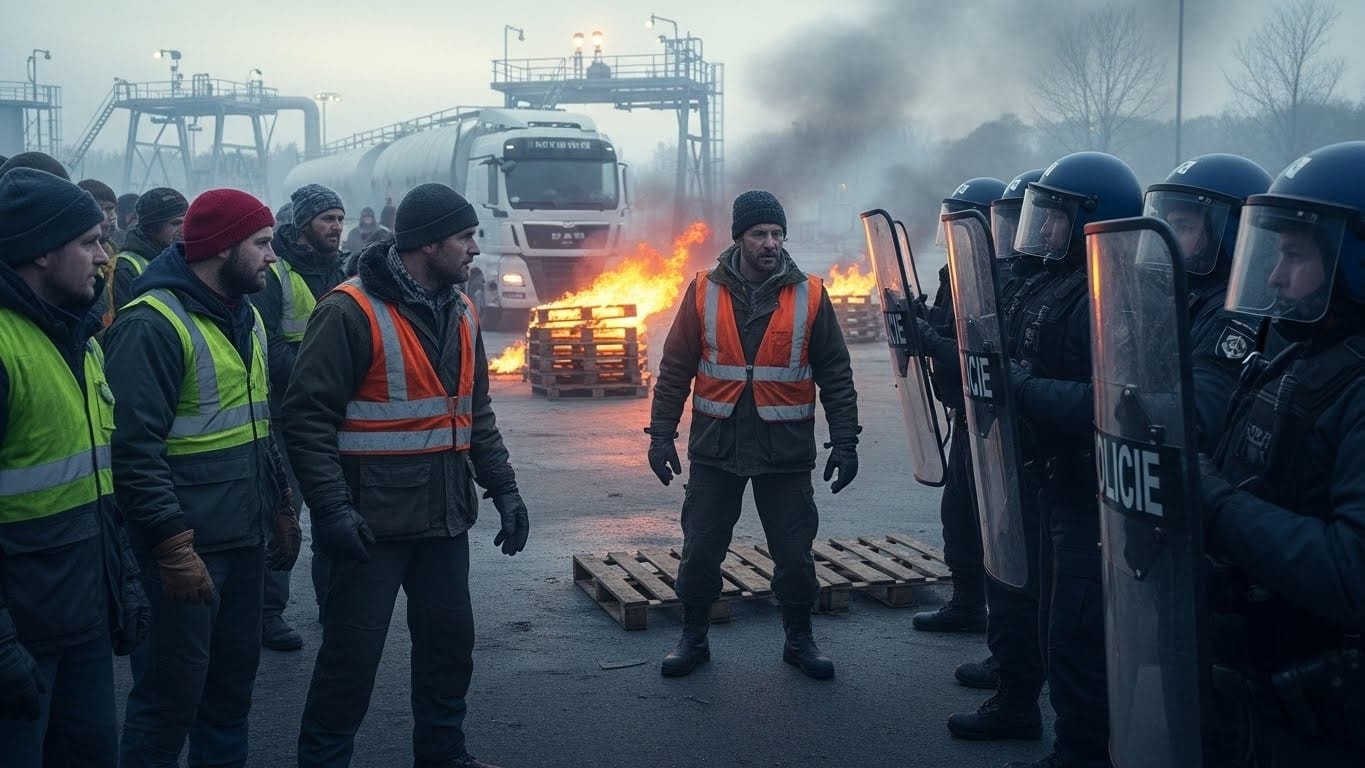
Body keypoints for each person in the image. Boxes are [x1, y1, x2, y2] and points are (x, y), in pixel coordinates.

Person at [285, 182, 527, 768]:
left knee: (449, 651)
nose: (475, 248)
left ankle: (443, 756)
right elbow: (305, 421)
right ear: (428, 244)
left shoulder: (463, 310)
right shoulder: (348, 311)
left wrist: (505, 488)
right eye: (466, 236)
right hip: (371, 529)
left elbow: (476, 413)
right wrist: (332, 511)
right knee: (349, 664)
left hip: (443, 522)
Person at [106, 188, 299, 768]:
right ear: (221, 247)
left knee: (228, 697)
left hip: (243, 541)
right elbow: (132, 452)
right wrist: (170, 545)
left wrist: (282, 503)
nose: (272, 256)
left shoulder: (247, 318)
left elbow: (260, 427)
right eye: (262, 243)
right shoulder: (151, 325)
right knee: (168, 703)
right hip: (185, 553)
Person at [648, 190, 861, 680]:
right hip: (716, 448)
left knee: (793, 553)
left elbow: (835, 372)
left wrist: (846, 441)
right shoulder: (702, 290)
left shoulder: (810, 293)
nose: (770, 243)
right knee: (701, 548)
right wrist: (661, 435)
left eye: (777, 234)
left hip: (783, 451)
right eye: (760, 234)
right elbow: (676, 368)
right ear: (739, 238)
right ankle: (693, 637)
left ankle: (799, 639)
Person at [1200, 141, 1365, 767]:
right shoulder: (1305, 351)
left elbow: (1352, 573)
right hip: (1261, 684)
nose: (1273, 275)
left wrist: (1211, 500)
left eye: (1294, 255)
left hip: (1321, 716)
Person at [0, 168, 149, 767]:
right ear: (41, 251)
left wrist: (125, 579)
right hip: (22, 632)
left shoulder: (81, 338)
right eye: (89, 242)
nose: (105, 257)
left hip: (83, 615)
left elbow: (95, 483)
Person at [1002, 152, 1143, 768]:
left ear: (1091, 219)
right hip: (1053, 478)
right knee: (1050, 627)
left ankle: (1084, 755)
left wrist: (1023, 388)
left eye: (1055, 217)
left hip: (1092, 491)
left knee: (1078, 639)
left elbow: (1110, 401)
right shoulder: (1057, 283)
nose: (1043, 229)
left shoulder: (1113, 295)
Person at [947, 169, 1054, 742]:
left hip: (1044, 462)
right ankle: (1010, 677)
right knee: (1002, 566)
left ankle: (1027, 701)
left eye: (1042, 218)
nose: (1024, 233)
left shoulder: (1070, 292)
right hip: (1002, 442)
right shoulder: (1019, 283)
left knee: (1039, 591)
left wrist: (1023, 385)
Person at [254, 183, 349, 651]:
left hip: (335, 417)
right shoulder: (275, 275)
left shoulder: (347, 271)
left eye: (339, 218)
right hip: (285, 416)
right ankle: (268, 614)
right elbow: (262, 343)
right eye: (326, 218)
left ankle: (335, 606)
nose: (335, 227)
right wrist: (322, 370)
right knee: (283, 516)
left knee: (335, 511)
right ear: (302, 225)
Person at [912, 177, 1006, 636]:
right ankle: (968, 604)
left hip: (991, 422)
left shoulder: (997, 280)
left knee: (992, 523)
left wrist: (930, 340)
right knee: (959, 516)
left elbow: (978, 352)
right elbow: (948, 324)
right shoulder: (956, 273)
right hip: (963, 412)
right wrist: (917, 315)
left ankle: (1000, 622)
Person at [1144, 154, 1271, 447]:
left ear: (1229, 236)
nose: (1166, 240)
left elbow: (1195, 420)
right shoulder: (1188, 298)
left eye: (1182, 227)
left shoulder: (1238, 314)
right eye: (1164, 225)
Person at [109, 187, 188, 315]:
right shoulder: (125, 267)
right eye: (176, 223)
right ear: (151, 228)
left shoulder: (185, 260)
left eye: (187, 222)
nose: (184, 229)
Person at [76, 179, 121, 326]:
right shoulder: (77, 260)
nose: (113, 216)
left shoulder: (113, 252)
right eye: (107, 209)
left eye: (114, 210)